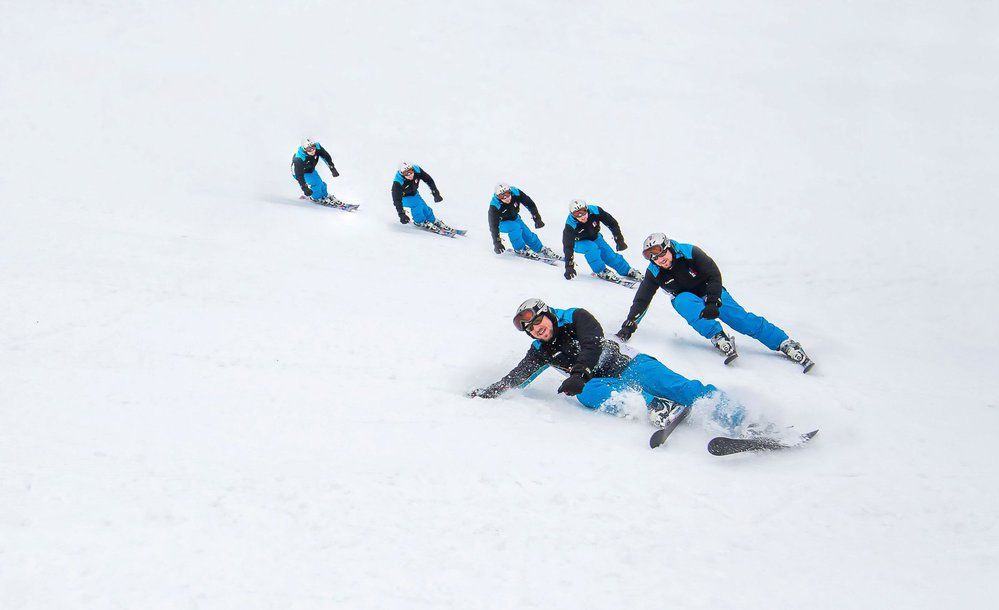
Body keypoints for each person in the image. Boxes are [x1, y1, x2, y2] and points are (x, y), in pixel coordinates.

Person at [467, 298, 747, 431]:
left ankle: (745, 419)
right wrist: (488, 392)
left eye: (538, 322)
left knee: (679, 387)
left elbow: (592, 344)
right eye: (530, 329)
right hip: (604, 383)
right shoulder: (541, 350)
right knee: (585, 393)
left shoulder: (577, 317)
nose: (537, 330)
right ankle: (655, 405)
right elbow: (518, 376)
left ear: (548, 315)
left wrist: (578, 372)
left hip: (632, 365)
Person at [615, 233, 814, 372]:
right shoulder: (655, 272)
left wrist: (712, 301)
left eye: (661, 254)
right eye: (653, 258)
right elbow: (642, 299)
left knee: (739, 319)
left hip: (711, 290)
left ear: (668, 247)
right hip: (685, 297)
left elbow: (713, 274)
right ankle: (717, 336)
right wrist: (629, 325)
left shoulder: (690, 252)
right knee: (683, 302)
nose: (659, 260)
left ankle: (783, 342)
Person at [562, 200, 641, 282]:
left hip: (595, 237)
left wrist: (619, 240)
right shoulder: (570, 225)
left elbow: (612, 223)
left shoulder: (595, 211)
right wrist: (569, 266)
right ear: (572, 214)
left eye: (583, 211)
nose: (582, 216)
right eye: (577, 214)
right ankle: (601, 270)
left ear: (587, 208)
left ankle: (627, 271)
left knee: (610, 255)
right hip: (578, 242)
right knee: (591, 247)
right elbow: (568, 246)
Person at [488, 183, 560, 258]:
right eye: (502, 196)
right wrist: (497, 243)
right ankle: (519, 248)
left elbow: (529, 204)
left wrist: (537, 218)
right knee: (514, 227)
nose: (506, 198)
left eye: (507, 194)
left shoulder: (516, 193)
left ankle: (539, 248)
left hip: (515, 218)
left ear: (510, 192)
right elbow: (493, 225)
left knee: (526, 233)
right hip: (501, 223)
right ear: (497, 197)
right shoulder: (495, 206)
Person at [392, 162, 450, 231]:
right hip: (403, 198)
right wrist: (401, 214)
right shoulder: (398, 182)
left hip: (414, 193)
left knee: (424, 206)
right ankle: (419, 221)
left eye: (410, 172)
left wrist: (435, 193)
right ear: (402, 174)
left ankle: (431, 220)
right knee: (417, 204)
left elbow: (429, 180)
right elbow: (397, 200)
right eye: (406, 174)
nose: (409, 175)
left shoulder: (417, 170)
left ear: (413, 169)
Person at [291, 138, 339, 202]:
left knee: (321, 184)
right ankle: (316, 198)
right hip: (300, 172)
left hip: (310, 169)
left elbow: (326, 157)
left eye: (313, 147)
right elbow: (299, 174)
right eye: (309, 149)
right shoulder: (299, 158)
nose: (312, 151)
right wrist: (304, 188)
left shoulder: (318, 148)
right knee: (316, 184)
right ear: (304, 149)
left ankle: (325, 195)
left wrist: (332, 168)